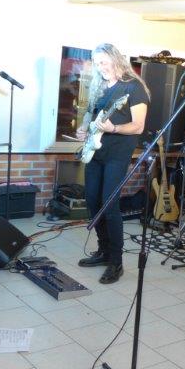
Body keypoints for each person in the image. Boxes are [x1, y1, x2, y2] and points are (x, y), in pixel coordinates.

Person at [76, 43, 150, 284]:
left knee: (109, 205)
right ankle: (104, 250)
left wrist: (114, 128)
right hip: (95, 153)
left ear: (116, 59)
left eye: (104, 62)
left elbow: (138, 126)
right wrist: (84, 128)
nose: (101, 67)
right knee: (92, 202)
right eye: (97, 63)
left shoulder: (133, 87)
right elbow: (90, 113)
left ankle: (116, 262)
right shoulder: (99, 86)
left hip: (117, 155)